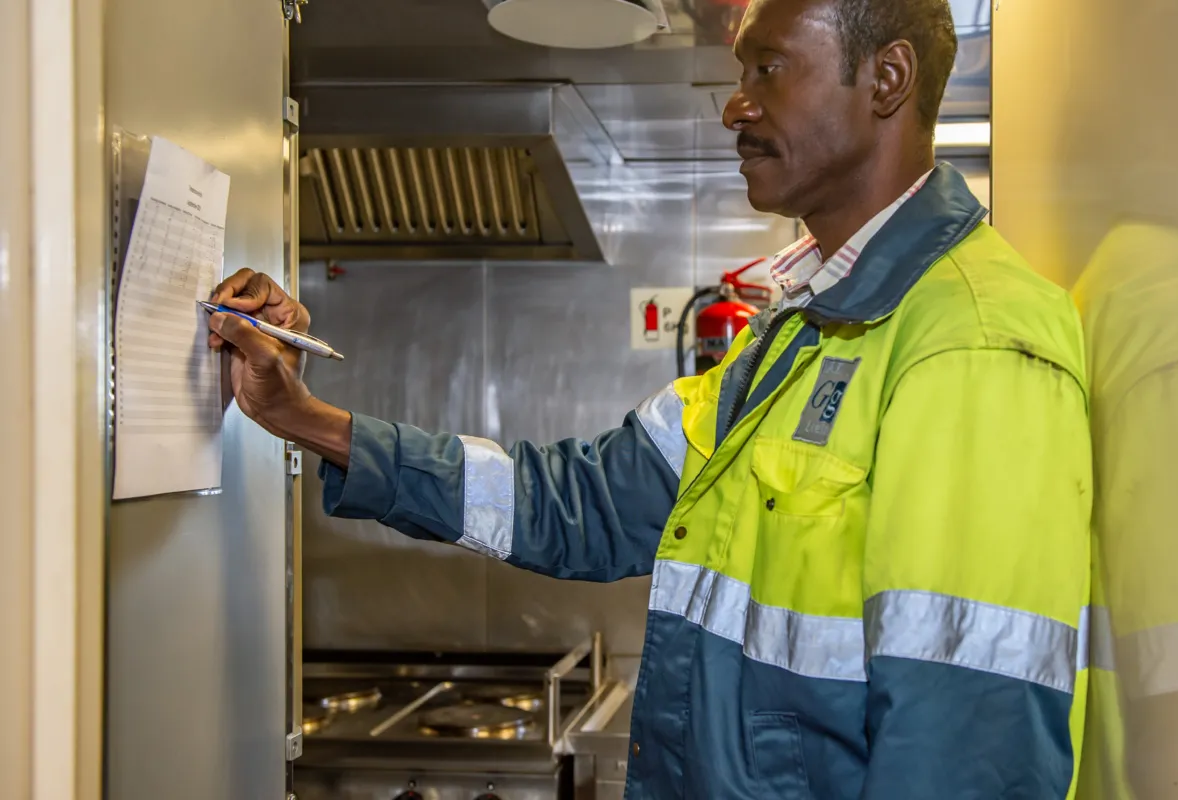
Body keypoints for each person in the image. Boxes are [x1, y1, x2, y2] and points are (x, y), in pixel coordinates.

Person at [208, 0, 1093, 795]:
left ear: (887, 78)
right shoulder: (788, 341)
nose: (736, 104)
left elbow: (969, 753)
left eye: (768, 67)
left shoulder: (971, 342)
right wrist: (303, 418)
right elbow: (580, 502)